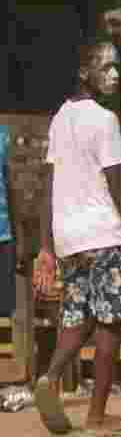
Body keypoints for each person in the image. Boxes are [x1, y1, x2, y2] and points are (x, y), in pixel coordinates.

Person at [32, 40, 121, 434]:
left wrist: (47, 245)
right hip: (103, 233)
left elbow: (48, 187)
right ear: (86, 73)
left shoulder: (60, 117)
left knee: (77, 316)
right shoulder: (105, 119)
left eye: (117, 67)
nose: (115, 75)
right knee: (110, 322)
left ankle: (50, 377)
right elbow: (120, 189)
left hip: (69, 238)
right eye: (107, 67)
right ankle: (98, 415)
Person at [0, 123, 18, 321]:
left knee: (4, 311)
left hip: (4, 234)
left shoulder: (2, 134)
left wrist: (17, 238)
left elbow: (10, 185)